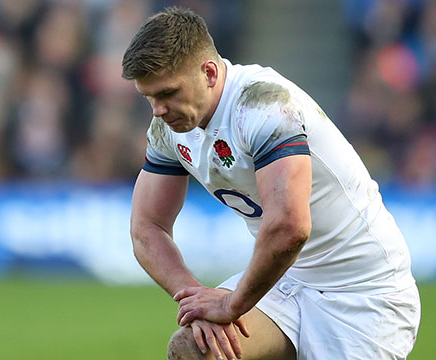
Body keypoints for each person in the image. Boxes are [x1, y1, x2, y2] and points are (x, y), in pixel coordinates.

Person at [122, 7, 420, 360]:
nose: (158, 109)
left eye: (168, 93)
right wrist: (193, 298)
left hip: (362, 292)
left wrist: (233, 304)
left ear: (210, 73)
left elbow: (289, 228)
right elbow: (147, 227)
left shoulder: (263, 106)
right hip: (284, 283)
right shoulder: (169, 128)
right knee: (194, 349)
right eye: (150, 97)